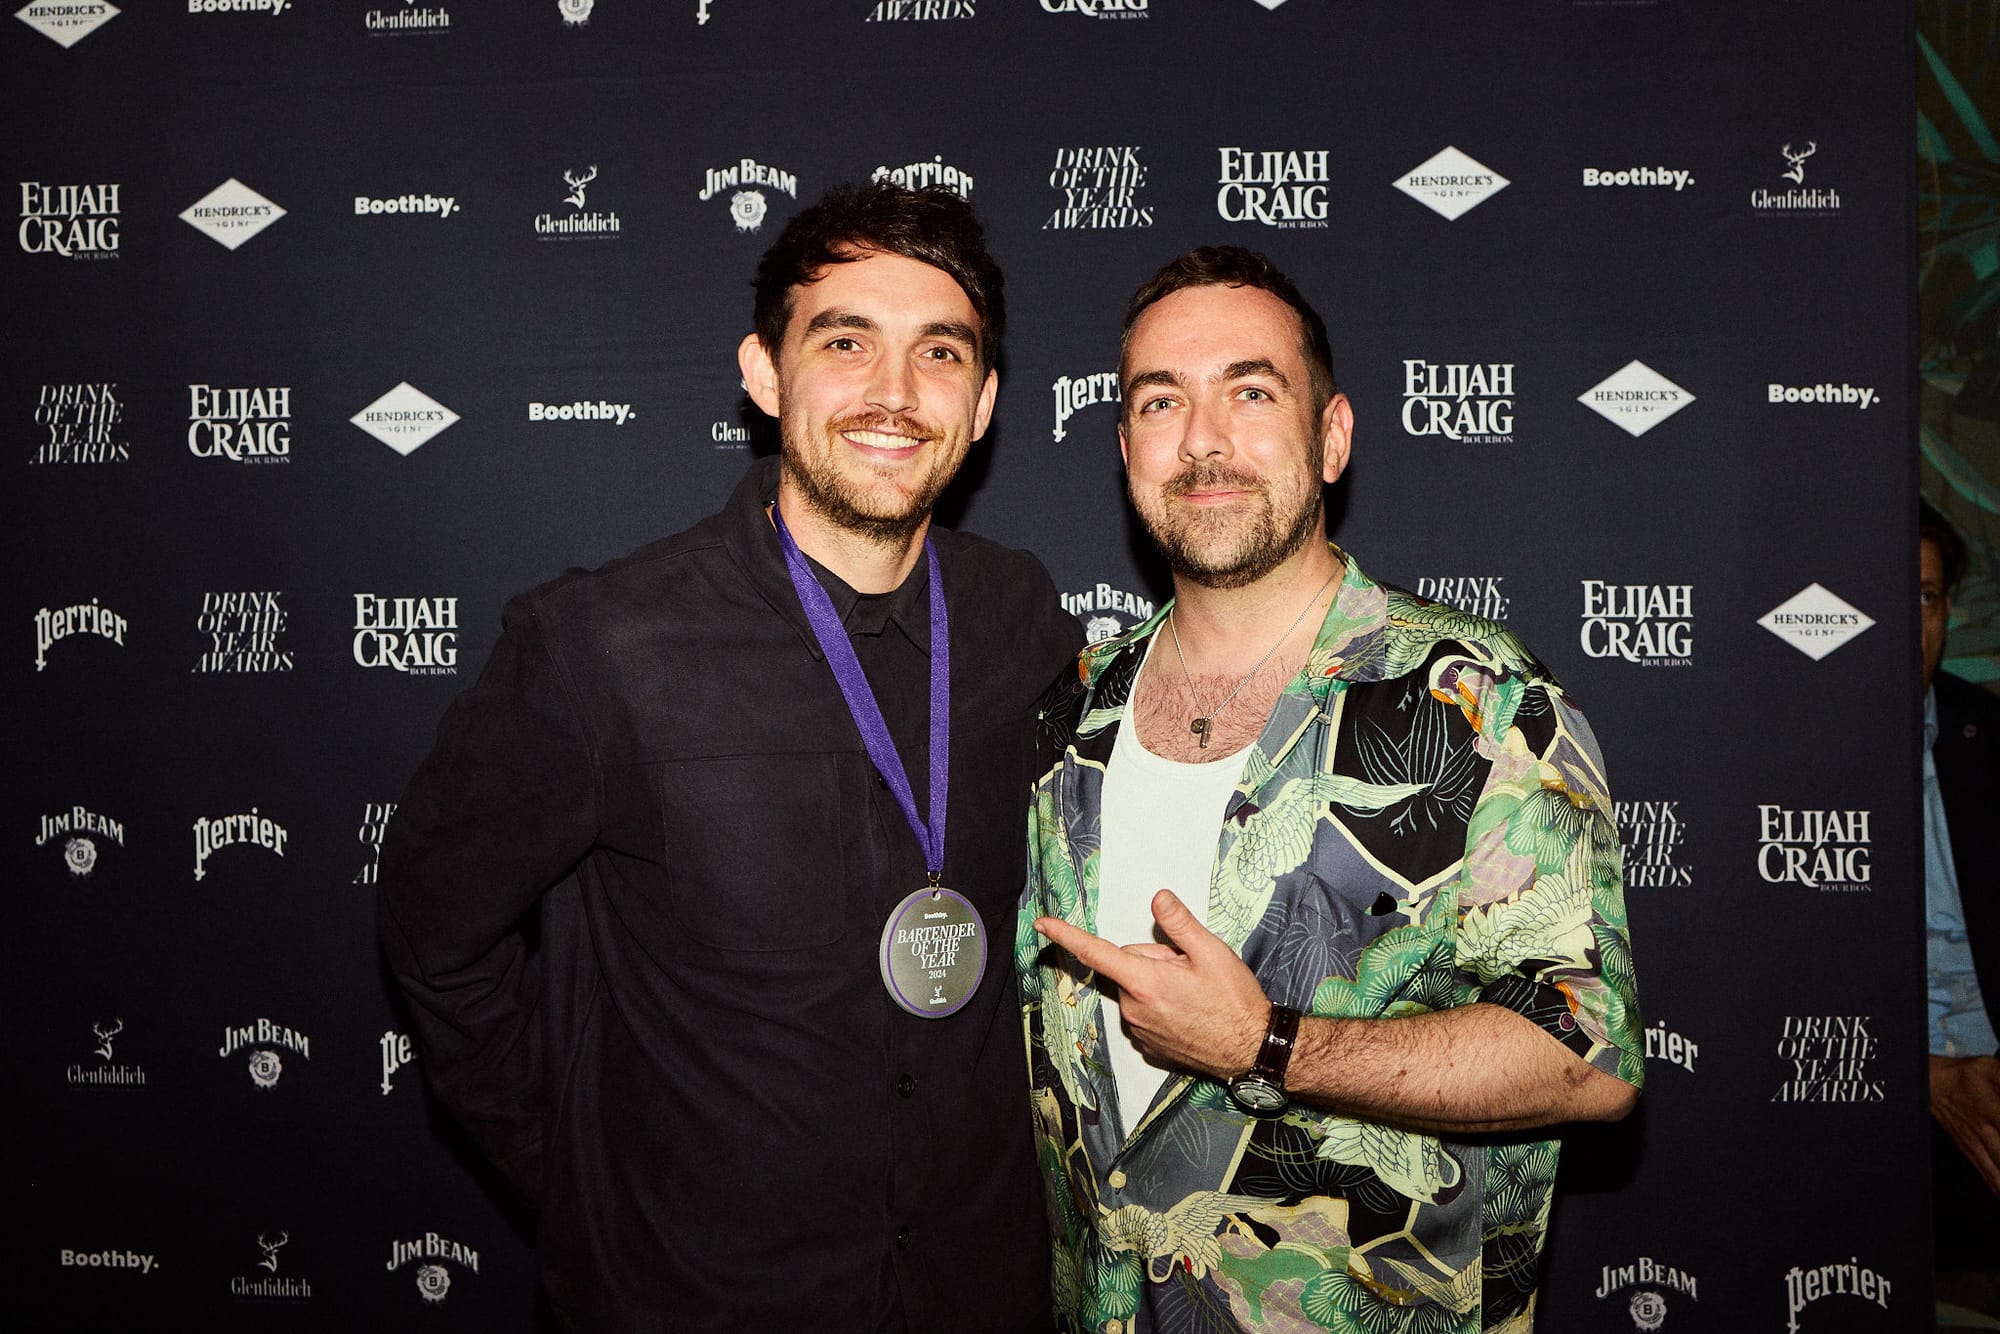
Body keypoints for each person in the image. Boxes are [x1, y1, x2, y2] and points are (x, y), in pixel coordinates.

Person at [378, 183, 1083, 1332]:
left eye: (938, 353)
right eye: (844, 340)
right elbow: (432, 925)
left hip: (977, 1289)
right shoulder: (602, 644)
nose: (893, 394)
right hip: (694, 1296)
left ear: (985, 401)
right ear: (763, 373)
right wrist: (580, 1177)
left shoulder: (1021, 620)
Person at [1019, 246, 1642, 1333]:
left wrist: (1267, 1045)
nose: (1202, 438)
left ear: (1332, 435)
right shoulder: (1070, 708)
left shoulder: (1480, 700)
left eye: (1249, 391)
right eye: (1161, 400)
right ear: (1124, 448)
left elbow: (1587, 1054)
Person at [1922, 500, 2000, 1311]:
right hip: (1882, 1080)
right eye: (1894, 596)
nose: (1914, 622)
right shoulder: (1784, 742)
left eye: (1928, 599)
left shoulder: (1988, 735)